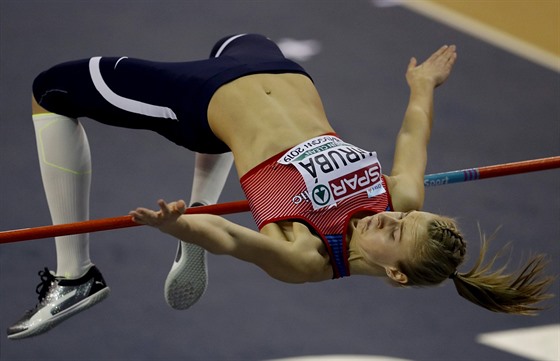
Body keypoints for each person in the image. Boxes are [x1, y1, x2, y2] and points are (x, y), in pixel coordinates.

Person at [9, 34, 553, 340]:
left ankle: (74, 274)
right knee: (237, 38)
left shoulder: (310, 257)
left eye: (393, 231)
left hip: (200, 101)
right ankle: (201, 206)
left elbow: (235, 242)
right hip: (274, 68)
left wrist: (186, 227)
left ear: (394, 272)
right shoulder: (400, 201)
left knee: (50, 91)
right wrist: (422, 86)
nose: (390, 216)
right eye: (406, 216)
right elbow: (414, 133)